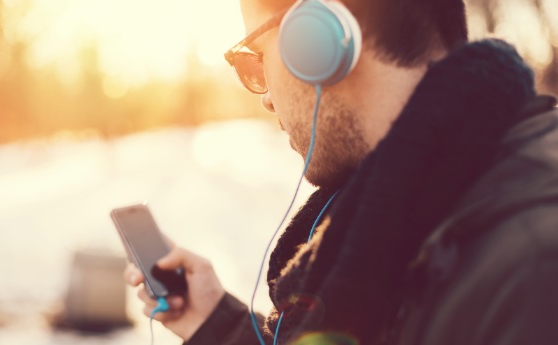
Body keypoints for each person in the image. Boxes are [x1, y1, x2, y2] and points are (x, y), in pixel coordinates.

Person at [125, 0, 558, 344]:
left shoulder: (530, 271)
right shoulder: (403, 208)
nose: (267, 99)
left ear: (316, 37)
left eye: (255, 58)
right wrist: (214, 322)